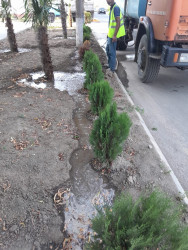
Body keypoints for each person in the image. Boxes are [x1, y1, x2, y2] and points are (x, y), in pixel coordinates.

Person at [106, 0, 125, 76]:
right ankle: (110, 65)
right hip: (110, 35)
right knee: (107, 50)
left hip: (113, 35)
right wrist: (109, 35)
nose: (107, 1)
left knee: (112, 52)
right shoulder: (112, 7)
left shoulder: (116, 8)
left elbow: (118, 22)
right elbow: (111, 24)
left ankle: (112, 69)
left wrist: (114, 35)